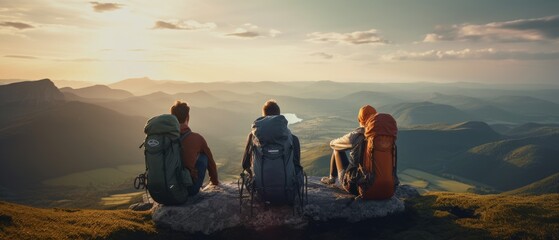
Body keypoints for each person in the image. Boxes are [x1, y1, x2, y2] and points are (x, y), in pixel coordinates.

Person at [320, 105, 377, 192]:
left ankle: (331, 179)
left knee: (337, 149)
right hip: (376, 183)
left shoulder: (356, 136)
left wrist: (332, 142)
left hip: (355, 184)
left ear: (359, 119)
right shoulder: (380, 137)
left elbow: (334, 144)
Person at [171, 101, 219, 195]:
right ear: (187, 117)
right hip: (188, 191)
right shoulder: (197, 138)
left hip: (165, 190)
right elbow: (211, 163)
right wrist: (215, 182)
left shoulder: (164, 138)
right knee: (203, 157)